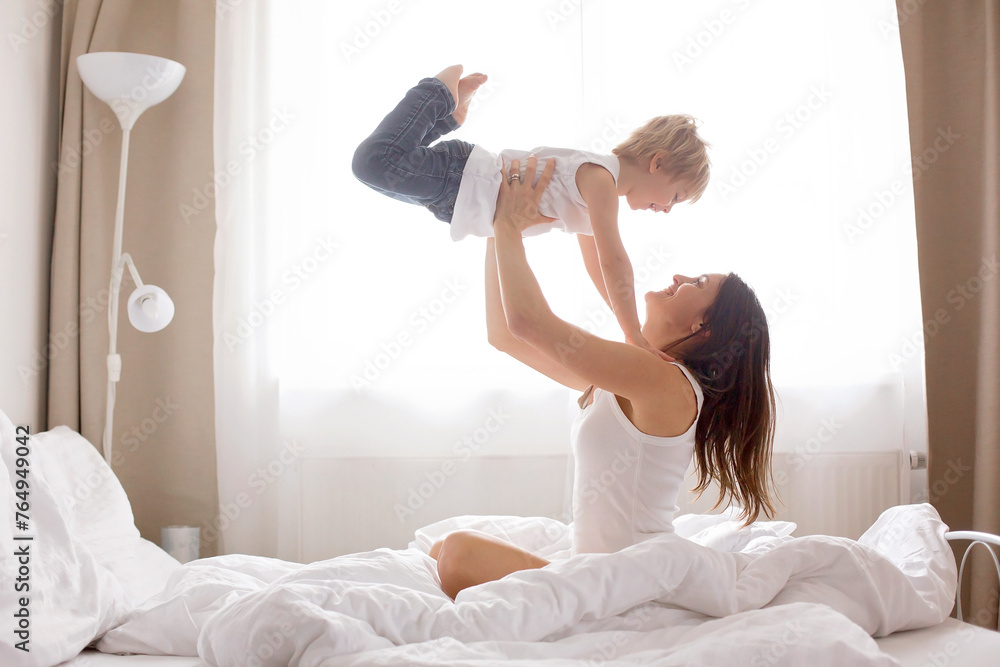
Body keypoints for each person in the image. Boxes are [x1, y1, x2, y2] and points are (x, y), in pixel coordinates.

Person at [428, 156, 776, 601]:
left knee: (456, 552)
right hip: (602, 572)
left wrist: (510, 224)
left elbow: (529, 322)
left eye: (698, 282)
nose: (679, 276)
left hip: (628, 579)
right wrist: (497, 225)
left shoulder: (666, 381)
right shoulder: (633, 378)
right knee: (443, 550)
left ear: (702, 328)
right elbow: (505, 336)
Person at [352, 65, 711, 360]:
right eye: (676, 196)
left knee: (381, 176)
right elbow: (614, 260)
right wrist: (636, 335)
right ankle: (438, 94)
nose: (666, 210)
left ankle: (448, 115)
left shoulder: (597, 192)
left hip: (459, 202)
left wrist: (628, 332)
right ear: (658, 162)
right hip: (465, 178)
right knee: (373, 163)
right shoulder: (600, 179)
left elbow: (598, 270)